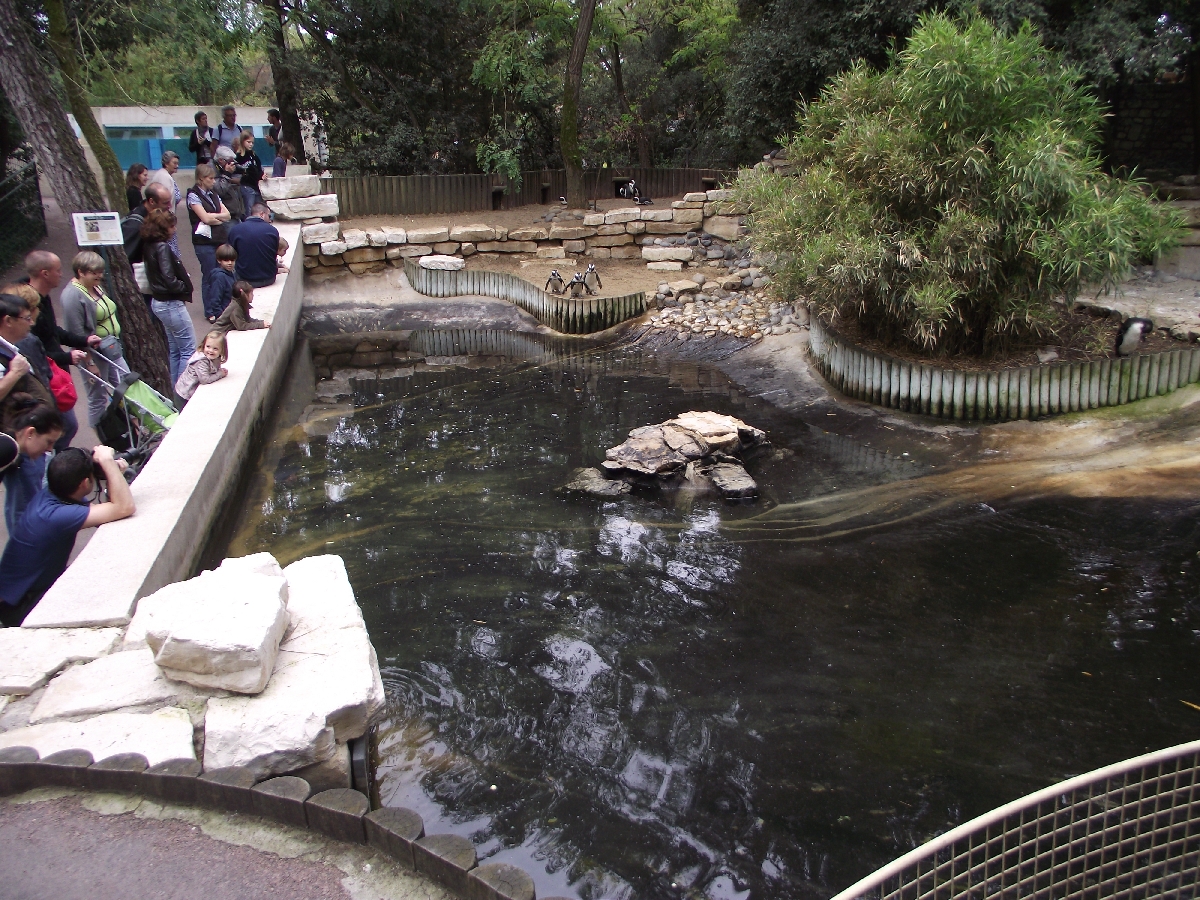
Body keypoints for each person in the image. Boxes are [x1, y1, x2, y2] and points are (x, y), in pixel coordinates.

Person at [0, 445, 135, 626]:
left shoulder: (53, 494)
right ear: (85, 484)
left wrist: (111, 471)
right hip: (21, 606)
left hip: (21, 594)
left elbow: (107, 512)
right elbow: (124, 507)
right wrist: (108, 463)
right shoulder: (55, 516)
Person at [60, 252, 128, 428]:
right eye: (94, 272)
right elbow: (76, 332)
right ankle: (103, 438)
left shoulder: (95, 286)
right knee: (98, 398)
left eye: (101, 271)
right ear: (81, 272)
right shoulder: (72, 296)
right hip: (93, 355)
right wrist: (89, 363)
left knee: (127, 386)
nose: (99, 275)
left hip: (110, 348)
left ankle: (131, 428)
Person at [141, 209, 195, 385]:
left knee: (175, 350)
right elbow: (168, 277)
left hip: (159, 302)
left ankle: (174, 388)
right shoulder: (162, 247)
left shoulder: (148, 245)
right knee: (188, 349)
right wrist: (184, 287)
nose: (174, 229)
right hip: (171, 303)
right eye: (172, 226)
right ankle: (183, 388)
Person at [3, 401, 63, 533]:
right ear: (30, 433)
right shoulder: (8, 449)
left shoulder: (12, 449)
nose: (49, 449)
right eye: (49, 442)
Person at [0, 294, 56, 433]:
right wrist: (15, 373)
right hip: (19, 436)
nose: (32, 323)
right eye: (27, 318)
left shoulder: (11, 347)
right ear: (8, 321)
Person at [186, 164, 231, 301]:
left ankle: (221, 303)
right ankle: (210, 308)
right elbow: (205, 218)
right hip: (204, 242)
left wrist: (213, 216)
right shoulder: (193, 195)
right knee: (209, 275)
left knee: (222, 273)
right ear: (201, 178)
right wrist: (215, 217)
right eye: (210, 178)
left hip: (219, 239)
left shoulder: (214, 194)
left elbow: (228, 215)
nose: (214, 181)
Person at [227, 203, 280, 288]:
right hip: (269, 278)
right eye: (269, 216)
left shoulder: (235, 230)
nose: (270, 220)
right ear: (262, 214)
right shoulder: (272, 230)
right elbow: (274, 253)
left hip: (245, 279)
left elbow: (231, 253)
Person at [148, 151, 184, 259]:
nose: (177, 166)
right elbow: (168, 201)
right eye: (174, 163)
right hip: (166, 220)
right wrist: (169, 220)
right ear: (166, 163)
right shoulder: (165, 177)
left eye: (177, 163)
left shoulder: (164, 175)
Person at [175, 330, 228, 402]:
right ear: (204, 345)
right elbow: (205, 380)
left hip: (188, 390)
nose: (211, 350)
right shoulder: (201, 361)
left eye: (215, 348)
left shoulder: (214, 358)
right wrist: (220, 374)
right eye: (208, 346)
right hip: (184, 393)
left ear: (222, 350)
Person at [233, 130, 265, 213]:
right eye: (248, 142)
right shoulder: (239, 157)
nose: (251, 144)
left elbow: (258, 168)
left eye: (252, 143)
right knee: (249, 209)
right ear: (242, 141)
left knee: (259, 208)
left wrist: (262, 175)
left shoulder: (253, 155)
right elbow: (236, 171)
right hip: (247, 186)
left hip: (256, 186)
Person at [205, 244, 238, 323]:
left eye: (232, 260)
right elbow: (215, 300)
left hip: (231, 312)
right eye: (226, 260)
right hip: (225, 315)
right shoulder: (219, 277)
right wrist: (221, 317)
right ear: (219, 260)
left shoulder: (232, 273)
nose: (230, 263)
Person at [212, 146, 246, 223]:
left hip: (236, 214)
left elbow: (243, 169)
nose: (232, 163)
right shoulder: (211, 170)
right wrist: (227, 174)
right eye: (230, 161)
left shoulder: (225, 165)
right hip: (225, 217)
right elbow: (220, 190)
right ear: (220, 160)